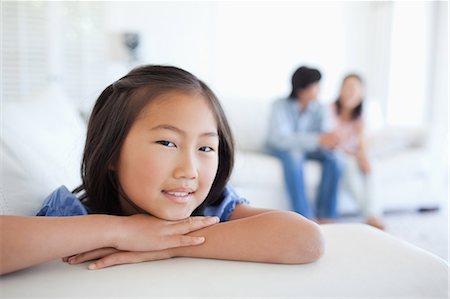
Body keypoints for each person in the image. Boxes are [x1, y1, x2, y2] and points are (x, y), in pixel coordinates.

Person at [0, 65, 324, 275]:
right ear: (111, 151)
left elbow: (306, 239)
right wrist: (121, 232)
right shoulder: (76, 215)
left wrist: (165, 244)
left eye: (206, 148)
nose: (190, 170)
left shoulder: (212, 210)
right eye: (168, 143)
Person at [266, 66, 342, 222]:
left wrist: (329, 141)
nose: (320, 90)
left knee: (336, 159)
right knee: (295, 155)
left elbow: (325, 135)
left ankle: (326, 215)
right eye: (316, 85)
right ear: (302, 88)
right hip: (281, 149)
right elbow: (281, 139)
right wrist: (317, 139)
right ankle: (304, 217)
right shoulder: (279, 105)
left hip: (310, 150)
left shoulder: (321, 108)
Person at [331, 74, 385, 230]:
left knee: (370, 165)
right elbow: (331, 140)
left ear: (361, 93)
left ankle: (373, 213)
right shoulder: (329, 111)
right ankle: (369, 215)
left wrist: (363, 157)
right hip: (337, 155)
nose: (349, 92)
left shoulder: (361, 117)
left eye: (353, 89)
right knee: (347, 165)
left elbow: (361, 145)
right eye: (346, 87)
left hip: (353, 154)